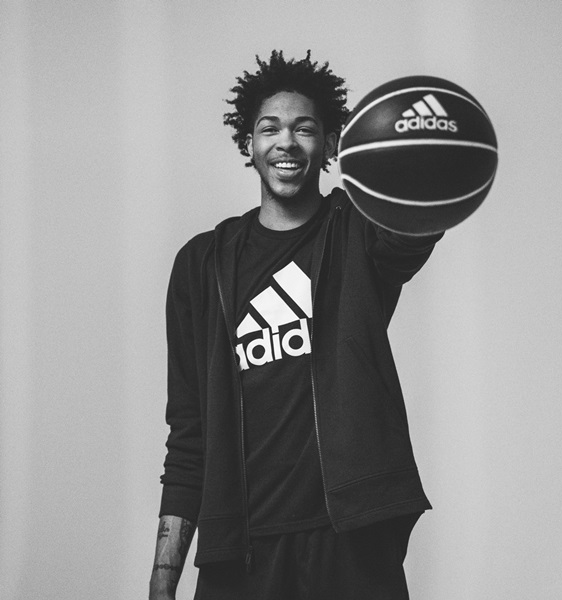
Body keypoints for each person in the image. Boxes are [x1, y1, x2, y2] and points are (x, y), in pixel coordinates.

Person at [149, 50, 444, 600]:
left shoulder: (359, 230)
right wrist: (164, 578)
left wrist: (432, 156)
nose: (286, 142)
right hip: (240, 548)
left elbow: (412, 230)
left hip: (351, 538)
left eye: (305, 129)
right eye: (270, 128)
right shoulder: (201, 265)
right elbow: (189, 431)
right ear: (249, 144)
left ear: (330, 146)